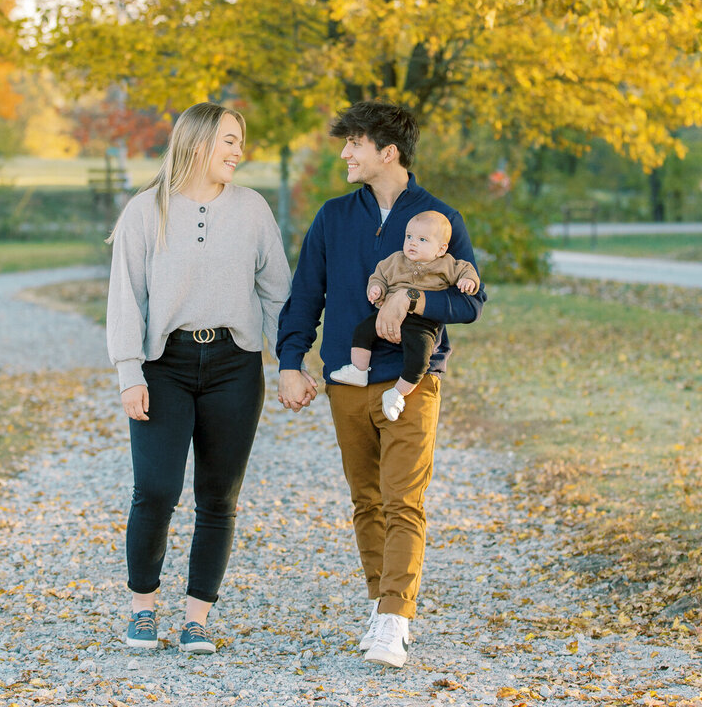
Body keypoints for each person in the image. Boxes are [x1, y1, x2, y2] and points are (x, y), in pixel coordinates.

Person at [276, 100, 485, 669]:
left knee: (403, 502)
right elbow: (305, 296)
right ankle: (378, 607)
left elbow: (472, 303)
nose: (344, 152)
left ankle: (395, 620)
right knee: (366, 502)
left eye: (354, 143)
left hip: (412, 383)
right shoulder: (333, 217)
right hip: (347, 379)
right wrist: (291, 361)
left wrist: (413, 297)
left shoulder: (439, 220)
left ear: (387, 152)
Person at [106, 102, 291, 655]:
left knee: (219, 496)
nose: (239, 151)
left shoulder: (254, 209)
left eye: (241, 141)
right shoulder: (147, 210)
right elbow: (126, 298)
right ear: (197, 143)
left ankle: (197, 619)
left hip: (235, 364)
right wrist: (128, 372)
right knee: (156, 489)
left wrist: (289, 363)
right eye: (229, 141)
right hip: (166, 365)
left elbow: (278, 293)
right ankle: (143, 607)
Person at [330, 210, 479, 422]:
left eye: (422, 239)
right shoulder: (395, 260)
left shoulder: (447, 264)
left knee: (420, 359)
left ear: (441, 249)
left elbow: (467, 271)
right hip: (387, 313)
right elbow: (379, 275)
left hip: (422, 321)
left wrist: (468, 282)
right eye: (409, 237)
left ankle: (397, 393)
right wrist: (376, 288)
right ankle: (359, 369)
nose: (412, 243)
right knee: (363, 331)